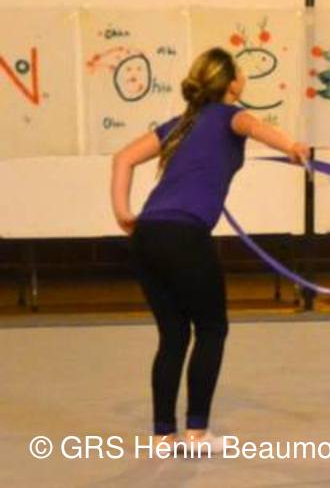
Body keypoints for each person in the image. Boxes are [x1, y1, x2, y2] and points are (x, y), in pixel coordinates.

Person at [110, 48, 308, 453]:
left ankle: (163, 435)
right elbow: (254, 126)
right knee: (212, 328)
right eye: (241, 72)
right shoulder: (228, 115)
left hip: (147, 234)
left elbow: (123, 158)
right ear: (232, 83)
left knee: (173, 335)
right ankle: (197, 432)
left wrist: (123, 213)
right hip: (184, 235)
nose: (243, 78)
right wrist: (291, 145)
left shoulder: (182, 123)